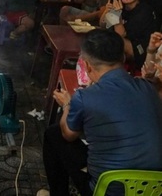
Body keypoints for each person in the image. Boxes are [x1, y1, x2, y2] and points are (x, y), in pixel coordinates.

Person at [40, 29, 162, 196]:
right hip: (153, 188)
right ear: (123, 58)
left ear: (87, 66)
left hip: (107, 189)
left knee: (54, 134)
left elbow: (68, 134)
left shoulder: (84, 97)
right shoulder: (148, 89)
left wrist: (67, 104)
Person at [100, 0, 160, 69]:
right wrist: (108, 11)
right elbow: (103, 25)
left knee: (113, 41)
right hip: (121, 42)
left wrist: (116, 15)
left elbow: (120, 36)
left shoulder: (144, 13)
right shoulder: (120, 3)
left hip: (141, 50)